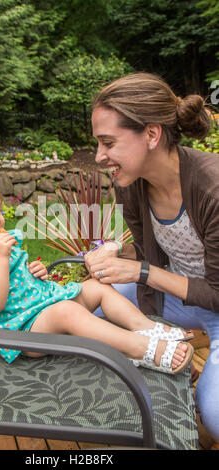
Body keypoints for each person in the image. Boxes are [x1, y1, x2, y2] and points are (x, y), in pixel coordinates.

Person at [0, 175, 194, 375]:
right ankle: (140, 348)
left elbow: (20, 281)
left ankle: (146, 328)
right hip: (23, 331)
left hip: (44, 306)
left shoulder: (4, 245)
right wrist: (0, 258)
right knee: (67, 311)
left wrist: (35, 273)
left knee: (97, 287)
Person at [86, 72, 219, 443]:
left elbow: (216, 293)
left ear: (151, 134)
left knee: (217, 412)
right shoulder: (131, 183)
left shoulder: (213, 190)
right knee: (73, 308)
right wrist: (118, 251)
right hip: (178, 298)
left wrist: (141, 270)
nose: (100, 157)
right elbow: (151, 253)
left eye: (108, 142)